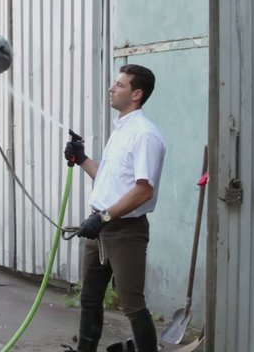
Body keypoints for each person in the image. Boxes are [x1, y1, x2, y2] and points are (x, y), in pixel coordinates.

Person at [63, 64, 165, 352]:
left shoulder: (145, 135)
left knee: (132, 304)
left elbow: (143, 190)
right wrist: (82, 159)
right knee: (90, 299)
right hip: (100, 228)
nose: (111, 88)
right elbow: (112, 182)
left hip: (125, 231)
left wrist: (105, 216)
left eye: (119, 85)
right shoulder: (121, 130)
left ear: (137, 94)